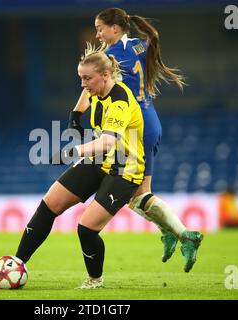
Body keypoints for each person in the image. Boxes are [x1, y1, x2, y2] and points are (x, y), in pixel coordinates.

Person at [68, 8, 203, 272]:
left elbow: (90, 89)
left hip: (133, 127)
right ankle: (171, 232)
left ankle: (185, 235)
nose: (97, 34)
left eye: (100, 28)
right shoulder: (139, 45)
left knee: (135, 194)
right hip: (149, 119)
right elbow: (151, 43)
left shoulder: (108, 58)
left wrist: (75, 114)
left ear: (115, 29)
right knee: (140, 193)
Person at [16, 45, 146, 289]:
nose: (83, 84)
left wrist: (70, 152)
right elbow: (87, 94)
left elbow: (108, 142)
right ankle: (17, 263)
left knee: (86, 228)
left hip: (123, 167)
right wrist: (75, 115)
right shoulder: (97, 87)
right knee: (49, 204)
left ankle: (95, 280)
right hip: (100, 160)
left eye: (87, 78)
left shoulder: (119, 101)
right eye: (81, 78)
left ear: (105, 76)